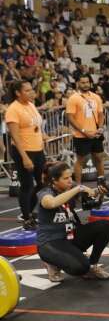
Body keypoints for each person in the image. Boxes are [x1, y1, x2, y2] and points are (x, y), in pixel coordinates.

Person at [36, 162, 109, 283]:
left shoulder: (71, 188)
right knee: (80, 268)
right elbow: (51, 203)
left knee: (105, 225)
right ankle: (51, 262)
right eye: (65, 178)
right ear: (54, 181)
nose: (70, 181)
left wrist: (100, 194)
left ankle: (92, 265)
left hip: (70, 235)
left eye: (71, 177)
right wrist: (78, 188)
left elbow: (92, 205)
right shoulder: (45, 193)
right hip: (50, 242)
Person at [6, 81, 47, 230]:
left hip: (38, 149)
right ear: (18, 93)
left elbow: (34, 125)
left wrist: (44, 136)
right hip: (23, 151)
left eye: (32, 90)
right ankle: (26, 217)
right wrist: (25, 157)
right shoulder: (13, 110)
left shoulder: (30, 105)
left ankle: (28, 211)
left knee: (43, 183)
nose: (32, 93)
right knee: (27, 185)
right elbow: (16, 137)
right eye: (28, 90)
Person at [66, 74, 107, 187]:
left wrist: (100, 128)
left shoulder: (96, 97)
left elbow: (100, 114)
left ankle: (101, 182)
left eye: (87, 82)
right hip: (81, 136)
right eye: (83, 82)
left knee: (99, 158)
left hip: (95, 135)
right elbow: (70, 117)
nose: (85, 84)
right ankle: (78, 187)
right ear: (78, 83)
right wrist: (84, 131)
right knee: (80, 161)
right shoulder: (73, 98)